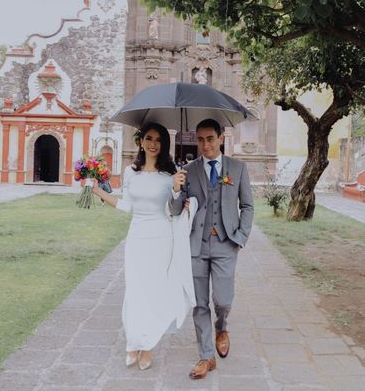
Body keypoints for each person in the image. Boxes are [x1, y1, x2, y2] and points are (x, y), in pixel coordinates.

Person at [92, 122, 195, 371]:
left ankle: (147, 345)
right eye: (149, 138)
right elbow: (127, 206)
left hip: (162, 238)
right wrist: (97, 192)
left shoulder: (171, 175)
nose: (153, 143)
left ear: (164, 144)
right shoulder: (130, 172)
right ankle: (133, 342)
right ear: (140, 141)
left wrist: (178, 191)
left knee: (154, 292)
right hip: (137, 238)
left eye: (158, 140)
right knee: (135, 291)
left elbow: (175, 209)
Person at [169, 119, 254, 380]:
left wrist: (240, 237)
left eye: (209, 138)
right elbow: (174, 211)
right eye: (200, 139)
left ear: (221, 138)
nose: (205, 144)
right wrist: (175, 190)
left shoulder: (238, 169)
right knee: (200, 303)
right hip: (195, 245)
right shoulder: (187, 169)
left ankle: (222, 327)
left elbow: (248, 206)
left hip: (226, 243)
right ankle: (207, 356)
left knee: (223, 300)